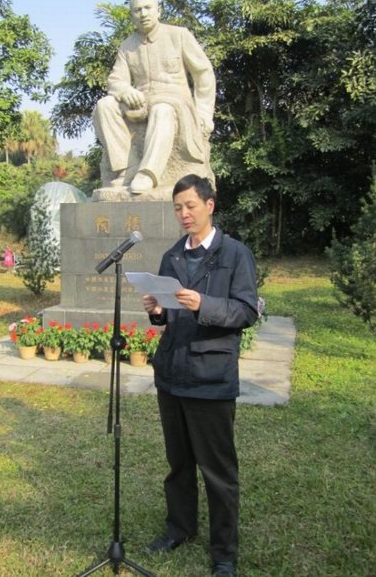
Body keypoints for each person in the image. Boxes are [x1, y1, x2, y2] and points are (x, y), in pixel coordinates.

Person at [142, 174, 258, 577]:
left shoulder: (235, 254)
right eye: (177, 208)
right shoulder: (172, 256)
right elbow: (167, 317)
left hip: (211, 377)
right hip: (172, 373)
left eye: (190, 205)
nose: (184, 214)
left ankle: (224, 553)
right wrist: (158, 312)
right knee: (178, 464)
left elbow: (246, 311)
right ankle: (180, 528)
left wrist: (203, 304)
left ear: (210, 205)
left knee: (218, 472)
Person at [93, 0, 216, 194]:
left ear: (159, 10)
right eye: (137, 10)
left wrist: (204, 114)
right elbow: (115, 80)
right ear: (132, 15)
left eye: (147, 8)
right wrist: (125, 90)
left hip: (175, 104)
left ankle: (147, 173)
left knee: (162, 109)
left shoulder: (179, 35)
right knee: (104, 105)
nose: (143, 14)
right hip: (141, 105)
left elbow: (203, 74)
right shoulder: (127, 45)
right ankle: (127, 168)